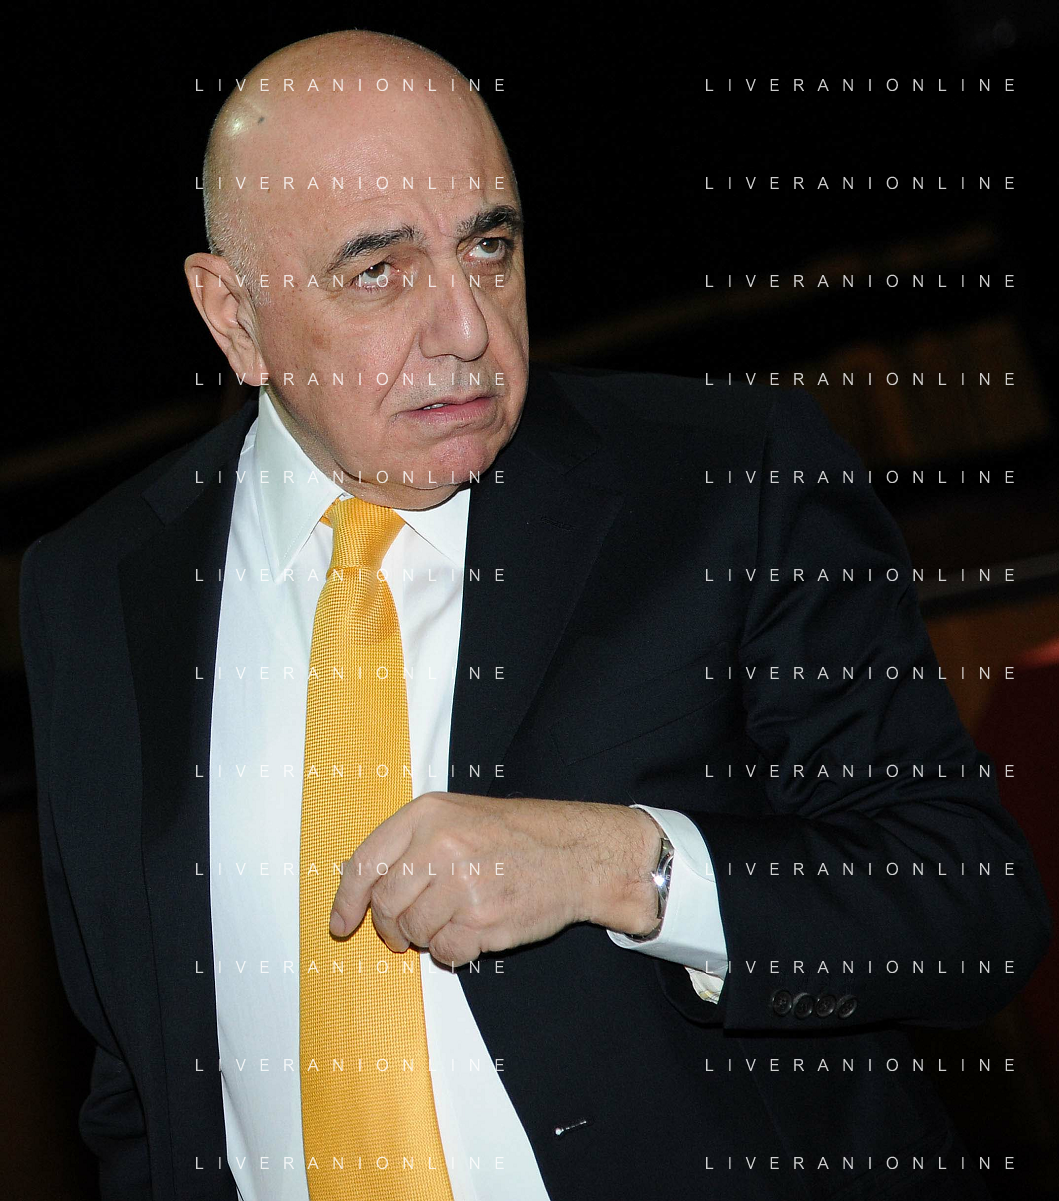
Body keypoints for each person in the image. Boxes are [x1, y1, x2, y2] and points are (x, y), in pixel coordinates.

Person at [20, 29, 1050, 1201]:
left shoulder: (723, 482)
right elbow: (137, 1084)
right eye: (379, 271)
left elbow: (971, 906)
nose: (467, 328)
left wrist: (624, 867)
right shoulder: (97, 590)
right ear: (233, 317)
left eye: (489, 247)